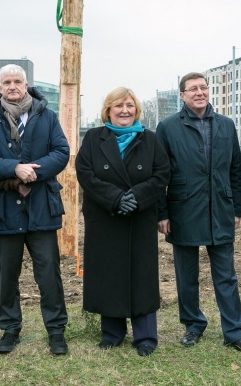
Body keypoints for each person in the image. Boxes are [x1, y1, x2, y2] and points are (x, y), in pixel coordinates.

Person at [156, 72, 241, 356]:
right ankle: (193, 324)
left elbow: (236, 171)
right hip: (183, 210)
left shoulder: (226, 125)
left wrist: (237, 207)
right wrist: (161, 213)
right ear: (183, 95)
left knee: (226, 275)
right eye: (193, 89)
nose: (199, 92)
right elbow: (159, 175)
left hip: (220, 210)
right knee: (186, 275)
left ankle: (234, 332)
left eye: (203, 87)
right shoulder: (167, 127)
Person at [0, 64, 70, 355]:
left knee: (49, 274)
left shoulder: (47, 117)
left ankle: (56, 331)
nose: (13, 86)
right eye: (7, 82)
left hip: (42, 207)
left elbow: (61, 152)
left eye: (18, 81)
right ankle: (10, 329)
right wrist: (14, 168)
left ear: (26, 85)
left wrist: (34, 173)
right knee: (7, 275)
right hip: (4, 209)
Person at [75, 87, 170, 357]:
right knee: (109, 274)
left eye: (129, 105)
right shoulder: (94, 138)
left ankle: (146, 336)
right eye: (118, 106)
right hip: (106, 217)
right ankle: (112, 333)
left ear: (136, 110)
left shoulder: (149, 139)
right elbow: (85, 173)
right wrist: (116, 198)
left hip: (139, 218)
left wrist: (136, 197)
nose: (124, 110)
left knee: (142, 275)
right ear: (108, 110)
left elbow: (162, 174)